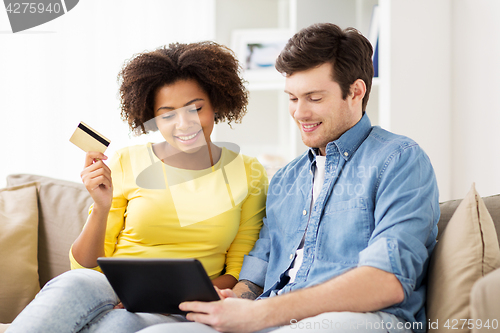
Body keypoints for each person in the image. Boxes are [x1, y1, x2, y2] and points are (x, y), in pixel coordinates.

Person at [136, 23, 440, 333]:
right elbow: (254, 278)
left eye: (314, 98)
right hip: (275, 318)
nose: (299, 113)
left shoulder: (398, 160)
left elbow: (387, 281)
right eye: (293, 99)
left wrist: (265, 312)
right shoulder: (285, 179)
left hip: (365, 320)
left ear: (356, 92)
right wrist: (234, 301)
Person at [6, 41, 267, 332]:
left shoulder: (248, 171)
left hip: (179, 306)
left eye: (195, 109)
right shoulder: (127, 160)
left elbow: (236, 271)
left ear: (216, 103)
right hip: (108, 287)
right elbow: (83, 267)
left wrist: (159, 296)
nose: (183, 124)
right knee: (72, 282)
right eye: (167, 115)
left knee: (118, 324)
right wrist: (101, 207)